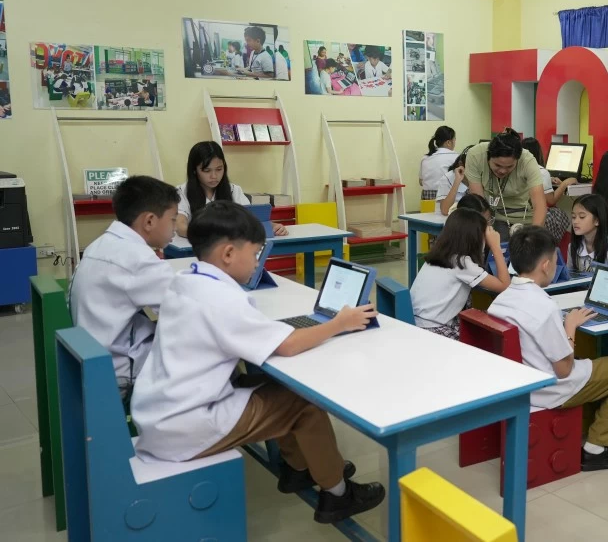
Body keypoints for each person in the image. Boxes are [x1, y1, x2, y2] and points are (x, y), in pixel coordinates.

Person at [130, 203, 385, 524]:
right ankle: (337, 494)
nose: (258, 262)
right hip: (186, 425)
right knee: (306, 404)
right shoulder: (222, 299)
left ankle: (299, 469)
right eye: (254, 253)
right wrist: (340, 323)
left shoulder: (185, 280)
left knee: (277, 386)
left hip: (161, 410)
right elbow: (288, 346)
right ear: (227, 254)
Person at [488, 226, 608, 471]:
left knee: (589, 359)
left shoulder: (500, 300)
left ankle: (588, 427)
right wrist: (569, 326)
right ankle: (597, 447)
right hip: (549, 389)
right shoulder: (544, 306)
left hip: (517, 382)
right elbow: (564, 370)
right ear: (546, 265)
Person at [70, 176, 179, 397]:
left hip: (93, 355)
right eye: (173, 220)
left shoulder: (100, 245)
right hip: (119, 371)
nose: (175, 228)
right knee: (205, 349)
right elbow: (185, 305)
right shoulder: (137, 259)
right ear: (149, 221)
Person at [410, 209, 509, 339]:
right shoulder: (462, 263)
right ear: (475, 239)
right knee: (491, 330)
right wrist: (496, 247)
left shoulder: (439, 256)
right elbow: (504, 285)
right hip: (433, 330)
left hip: (415, 323)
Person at [177, 141, 287, 238]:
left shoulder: (234, 190)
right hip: (195, 250)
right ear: (194, 170)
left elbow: (251, 219)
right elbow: (180, 225)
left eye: (219, 169)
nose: (214, 176)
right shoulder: (182, 191)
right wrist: (208, 234)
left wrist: (274, 226)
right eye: (207, 171)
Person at [465, 129, 548, 239]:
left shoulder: (527, 160)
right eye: (497, 165)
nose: (503, 171)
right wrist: (486, 234)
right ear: (488, 157)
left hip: (525, 215)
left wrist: (533, 238)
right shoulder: (476, 155)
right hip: (495, 216)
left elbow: (540, 205)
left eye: (509, 167)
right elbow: (479, 203)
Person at [520, 137, 573, 242]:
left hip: (523, 212)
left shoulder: (520, 168)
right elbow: (551, 201)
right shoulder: (541, 172)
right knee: (560, 213)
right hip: (535, 214)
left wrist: (549, 179)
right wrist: (565, 184)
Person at [569, 194, 608, 273]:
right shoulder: (573, 246)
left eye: (582, 217)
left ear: (597, 220)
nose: (575, 222)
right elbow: (570, 276)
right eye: (573, 217)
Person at [420, 126, 458, 199]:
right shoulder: (456, 157)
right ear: (448, 142)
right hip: (445, 197)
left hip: (426, 199)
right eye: (454, 140)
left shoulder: (425, 158)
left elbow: (421, 182)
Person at [436, 151, 470, 216]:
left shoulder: (481, 177)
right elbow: (445, 210)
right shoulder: (447, 178)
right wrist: (457, 181)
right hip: (450, 219)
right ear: (461, 165)